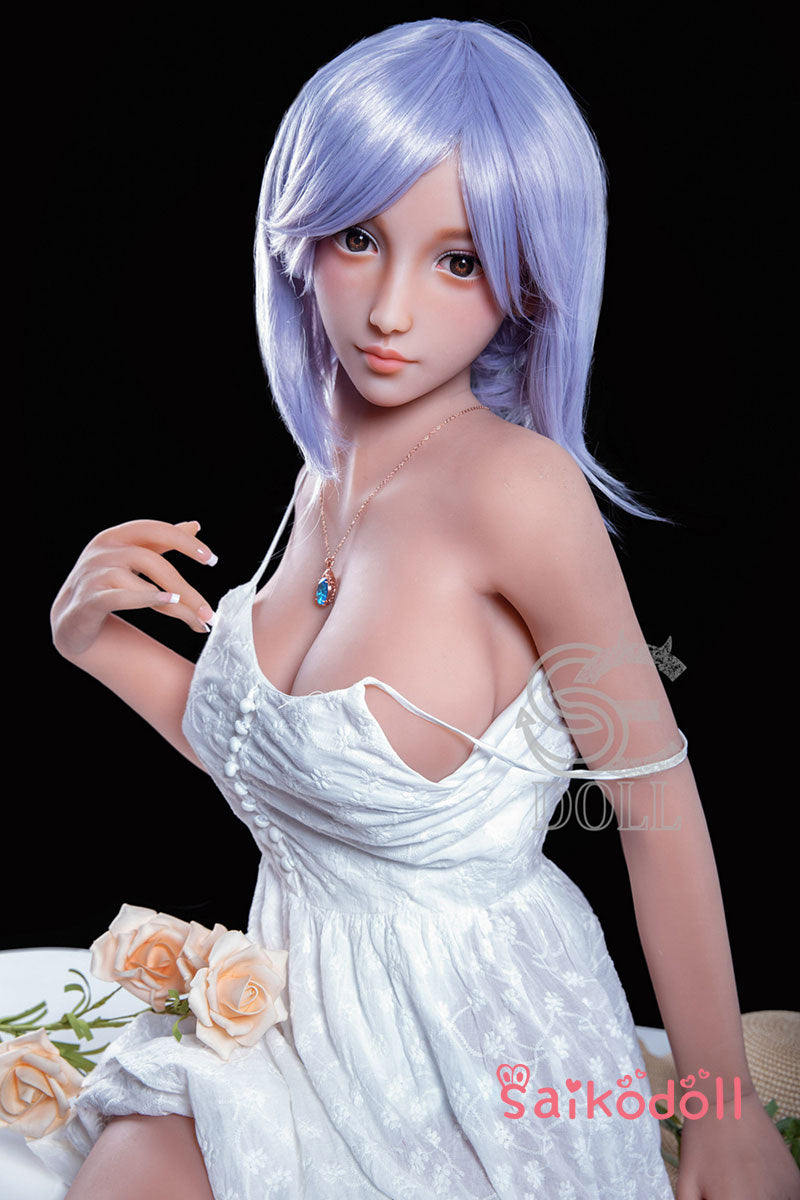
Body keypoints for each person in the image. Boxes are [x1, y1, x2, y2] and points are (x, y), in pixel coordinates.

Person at [29, 17, 798, 1200]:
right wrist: (91, 643)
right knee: (122, 1170)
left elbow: (653, 802)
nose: (390, 310)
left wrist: (721, 1109)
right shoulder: (325, 473)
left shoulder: (517, 491)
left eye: (458, 259)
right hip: (294, 1014)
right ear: (298, 236)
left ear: (528, 279)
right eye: (358, 238)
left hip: (473, 1053)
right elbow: (289, 771)